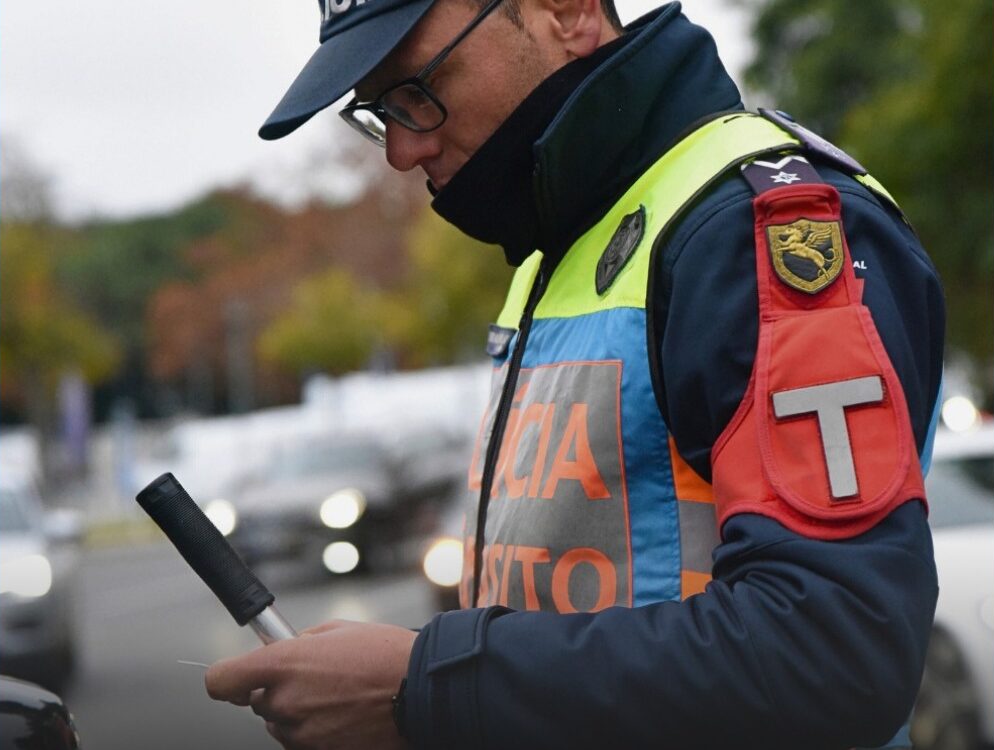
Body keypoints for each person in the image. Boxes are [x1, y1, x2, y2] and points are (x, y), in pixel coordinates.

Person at [205, 0, 946, 748]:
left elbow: (836, 649)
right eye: (377, 112)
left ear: (564, 11)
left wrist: (423, 685)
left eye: (418, 89)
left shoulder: (747, 230)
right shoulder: (558, 251)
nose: (400, 151)